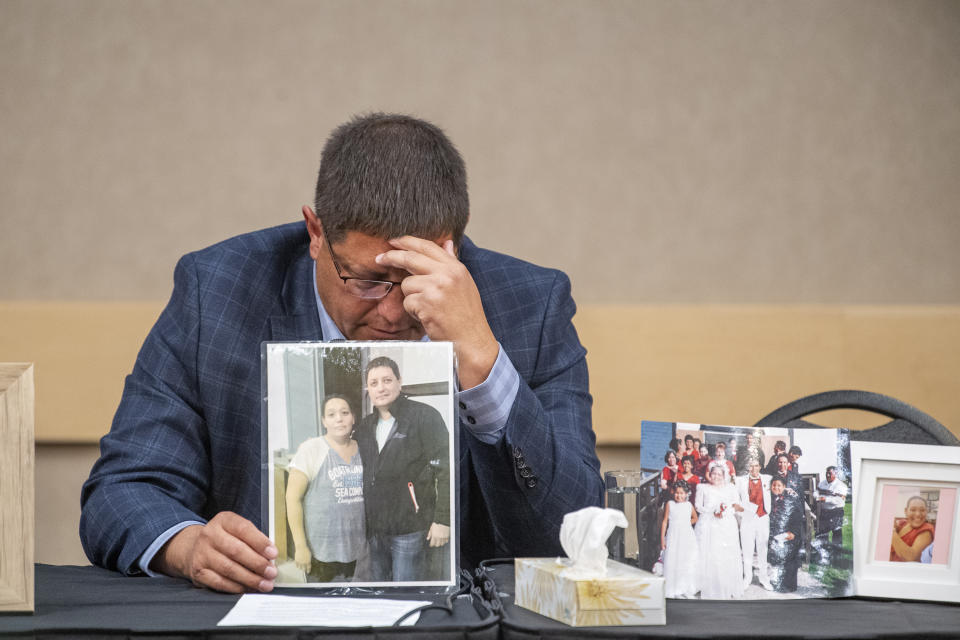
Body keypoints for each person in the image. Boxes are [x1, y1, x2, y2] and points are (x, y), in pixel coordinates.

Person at [79, 113, 604, 593]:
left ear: (454, 248)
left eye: (418, 278)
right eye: (369, 280)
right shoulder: (216, 291)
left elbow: (575, 530)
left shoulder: (531, 305)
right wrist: (188, 546)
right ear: (315, 233)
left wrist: (482, 361)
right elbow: (122, 490)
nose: (396, 313)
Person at [355, 357, 449, 581]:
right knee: (379, 591)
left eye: (387, 380)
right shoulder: (365, 427)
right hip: (375, 531)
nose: (381, 388)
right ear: (368, 388)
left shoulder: (424, 416)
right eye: (374, 383)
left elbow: (446, 468)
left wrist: (443, 520)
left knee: (406, 593)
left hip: (409, 528)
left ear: (399, 382)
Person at [285, 395, 364, 582]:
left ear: (353, 417)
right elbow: (292, 499)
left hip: (357, 551)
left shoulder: (363, 448)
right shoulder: (311, 449)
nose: (339, 418)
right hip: (320, 553)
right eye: (331, 414)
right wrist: (300, 546)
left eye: (345, 413)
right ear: (324, 421)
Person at [695, 462, 744, 599]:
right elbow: (698, 506)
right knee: (710, 553)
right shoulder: (703, 488)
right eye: (713, 473)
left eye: (719, 474)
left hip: (726, 524)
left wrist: (726, 511)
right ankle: (707, 586)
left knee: (725, 555)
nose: (716, 476)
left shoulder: (730, 488)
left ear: (724, 475)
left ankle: (726, 585)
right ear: (709, 475)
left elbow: (736, 505)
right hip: (708, 524)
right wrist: (712, 512)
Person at [735, 459, 773, 590]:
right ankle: (747, 578)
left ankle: (764, 578)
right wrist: (742, 512)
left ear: (760, 467)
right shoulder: (740, 481)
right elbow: (736, 499)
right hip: (747, 518)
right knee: (747, 549)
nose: (753, 468)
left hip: (762, 517)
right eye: (751, 466)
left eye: (756, 466)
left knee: (763, 549)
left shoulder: (768, 479)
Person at [661, 481, 699, 598]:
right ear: (673, 493)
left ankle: (685, 587)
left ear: (687, 494)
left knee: (685, 559)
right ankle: (673, 587)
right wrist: (662, 539)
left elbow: (695, 518)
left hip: (686, 536)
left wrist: (685, 524)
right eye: (677, 493)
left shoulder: (689, 505)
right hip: (673, 536)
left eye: (682, 493)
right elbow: (665, 521)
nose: (679, 495)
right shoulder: (670, 504)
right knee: (673, 559)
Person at [768, 476, 803, 592]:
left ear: (784, 487)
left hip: (790, 533)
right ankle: (777, 581)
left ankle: (789, 585)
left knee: (789, 559)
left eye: (779, 485)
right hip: (775, 535)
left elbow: (797, 517)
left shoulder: (791, 499)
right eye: (774, 485)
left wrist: (793, 532)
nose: (776, 487)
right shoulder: (769, 499)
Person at [890, 496, 935, 562]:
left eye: (922, 510)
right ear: (906, 511)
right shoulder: (903, 523)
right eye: (913, 510)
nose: (918, 514)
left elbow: (912, 557)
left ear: (926, 511)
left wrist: (892, 532)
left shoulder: (926, 531)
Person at [814, 466, 847, 552]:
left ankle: (837, 554)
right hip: (824, 511)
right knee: (822, 532)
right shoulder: (822, 483)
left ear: (835, 474)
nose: (828, 475)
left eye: (830, 473)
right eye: (827, 473)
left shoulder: (841, 486)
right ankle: (823, 552)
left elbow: (839, 500)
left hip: (836, 511)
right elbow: (816, 492)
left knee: (836, 532)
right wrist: (816, 496)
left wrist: (826, 499)